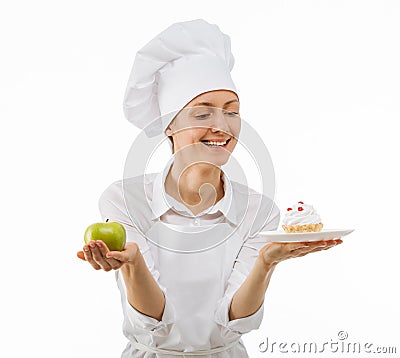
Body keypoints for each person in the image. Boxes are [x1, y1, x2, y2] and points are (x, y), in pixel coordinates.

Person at [77, 19, 342, 357]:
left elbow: (234, 321)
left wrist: (266, 262)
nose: (221, 126)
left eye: (232, 112)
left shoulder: (258, 211)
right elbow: (153, 324)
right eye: (202, 114)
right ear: (169, 124)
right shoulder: (125, 200)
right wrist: (134, 264)